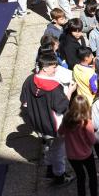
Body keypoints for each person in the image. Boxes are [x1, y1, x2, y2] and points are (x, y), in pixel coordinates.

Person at [19, 54, 73, 185]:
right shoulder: (54, 87)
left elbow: (24, 102)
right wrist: (70, 91)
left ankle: (49, 169)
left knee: (50, 146)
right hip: (54, 125)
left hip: (38, 122)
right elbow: (62, 107)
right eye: (54, 67)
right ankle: (60, 176)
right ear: (45, 68)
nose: (55, 70)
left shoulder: (29, 80)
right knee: (59, 150)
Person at [58, 95, 99, 196]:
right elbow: (92, 141)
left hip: (71, 155)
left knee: (80, 178)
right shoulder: (86, 122)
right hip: (86, 154)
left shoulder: (66, 119)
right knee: (92, 177)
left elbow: (60, 132)